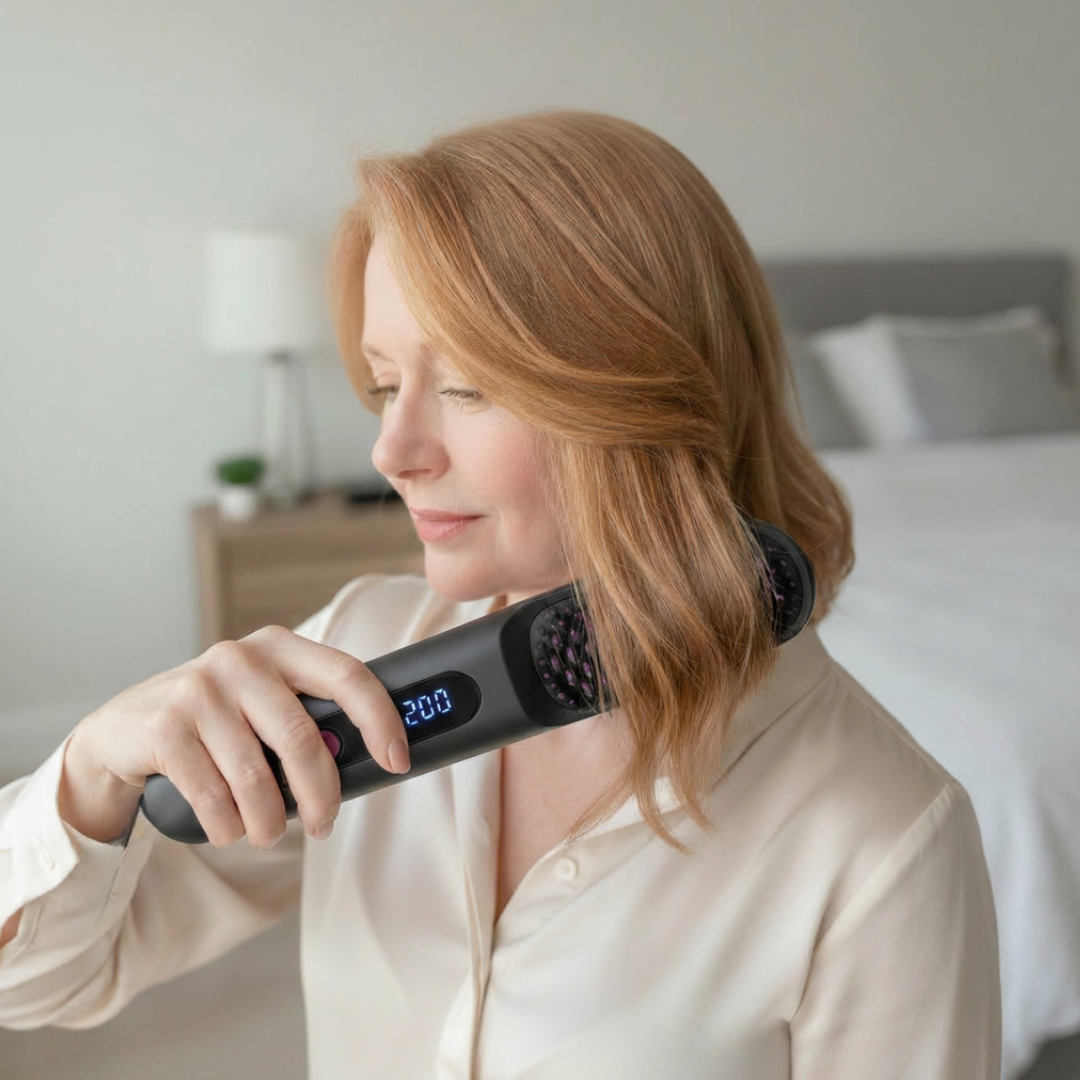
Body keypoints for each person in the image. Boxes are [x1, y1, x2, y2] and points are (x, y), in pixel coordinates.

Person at [0, 111, 999, 1078]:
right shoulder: (360, 654)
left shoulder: (882, 838)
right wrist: (92, 771)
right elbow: (44, 981)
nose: (393, 452)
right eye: (387, 384)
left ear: (638, 396)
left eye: (468, 387)